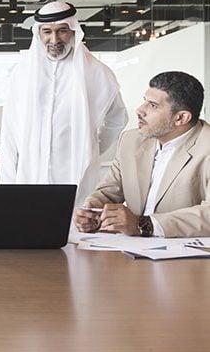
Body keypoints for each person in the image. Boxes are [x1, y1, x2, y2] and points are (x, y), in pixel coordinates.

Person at [0, 1, 128, 205]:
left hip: (76, 176)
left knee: (76, 231)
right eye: (47, 32)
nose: (54, 39)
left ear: (74, 31)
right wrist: (6, 185)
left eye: (62, 31)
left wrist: (91, 147)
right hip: (30, 176)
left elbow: (118, 118)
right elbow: (9, 131)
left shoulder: (97, 72)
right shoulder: (22, 74)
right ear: (38, 34)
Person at [74, 71, 210, 238]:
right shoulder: (131, 140)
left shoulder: (206, 146)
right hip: (130, 250)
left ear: (181, 118)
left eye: (153, 105)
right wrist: (91, 209)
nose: (139, 110)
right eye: (144, 101)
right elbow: (109, 192)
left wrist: (144, 225)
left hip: (187, 257)